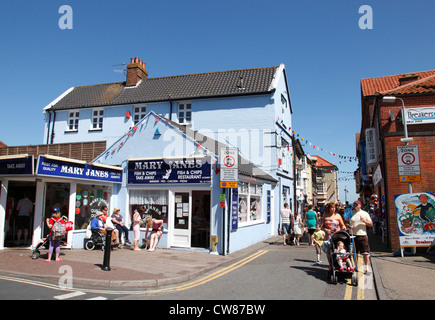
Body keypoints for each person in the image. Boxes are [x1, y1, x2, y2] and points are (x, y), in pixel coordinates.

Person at [321, 202, 346, 271]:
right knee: (329, 251)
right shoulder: (325, 216)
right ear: (328, 209)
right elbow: (321, 227)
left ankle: (338, 264)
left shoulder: (338, 216)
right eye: (331, 207)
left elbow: (342, 225)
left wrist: (344, 227)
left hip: (337, 235)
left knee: (337, 249)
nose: (333, 209)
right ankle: (331, 265)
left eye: (334, 207)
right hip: (328, 235)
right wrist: (326, 230)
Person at [350, 200, 373, 274]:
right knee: (354, 252)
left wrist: (364, 221)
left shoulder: (364, 213)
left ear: (360, 205)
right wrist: (348, 225)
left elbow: (371, 224)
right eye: (354, 205)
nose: (355, 206)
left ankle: (366, 267)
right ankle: (355, 266)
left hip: (362, 235)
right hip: (353, 235)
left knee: (365, 252)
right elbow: (346, 221)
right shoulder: (351, 213)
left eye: (357, 205)